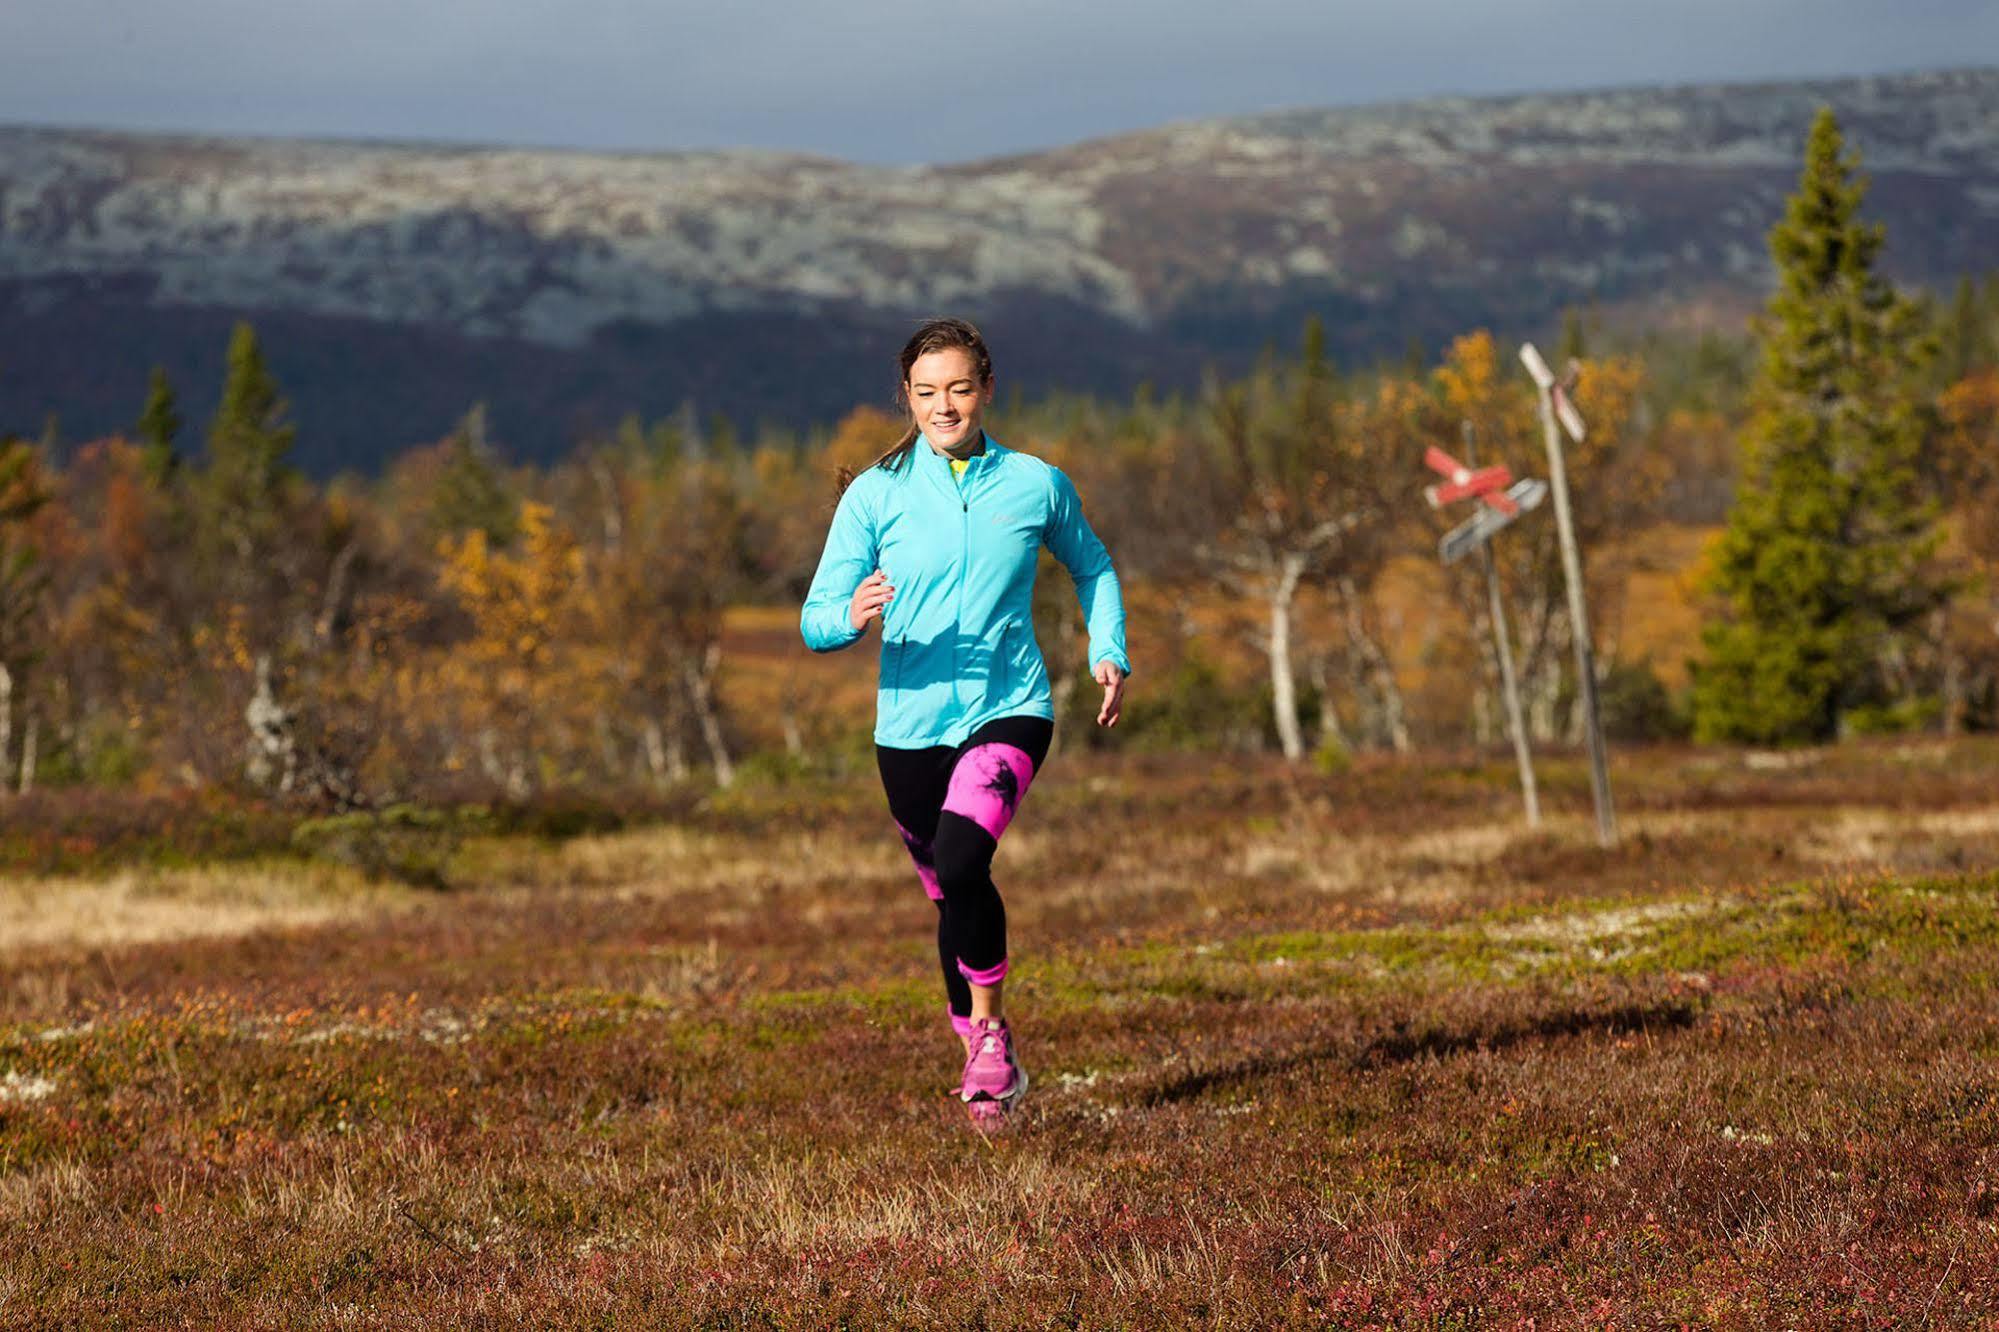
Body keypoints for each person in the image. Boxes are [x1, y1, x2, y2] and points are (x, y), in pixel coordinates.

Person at [799, 316, 1129, 1129]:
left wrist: (1107, 646)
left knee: (962, 854)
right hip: (906, 730)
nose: (943, 405)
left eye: (957, 388)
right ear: (906, 400)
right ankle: (981, 1050)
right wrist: (850, 613)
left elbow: (1092, 563)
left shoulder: (1033, 483)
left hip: (1010, 707)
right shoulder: (875, 495)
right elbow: (813, 620)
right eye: (925, 392)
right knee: (950, 891)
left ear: (985, 389)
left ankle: (988, 1032)